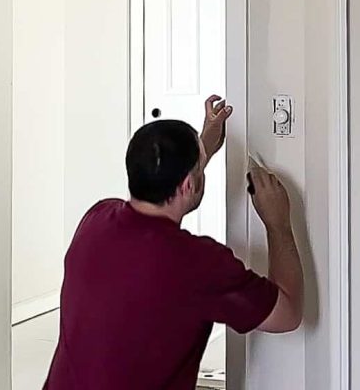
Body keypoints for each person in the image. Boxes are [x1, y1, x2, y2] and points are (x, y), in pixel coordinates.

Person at [43, 94, 304, 390]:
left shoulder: (96, 220)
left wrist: (203, 143)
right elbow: (288, 314)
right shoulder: (200, 263)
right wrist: (278, 223)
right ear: (189, 184)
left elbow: (167, 195)